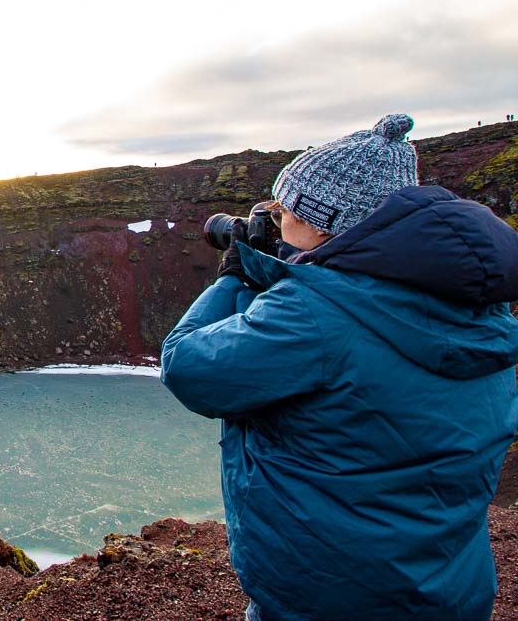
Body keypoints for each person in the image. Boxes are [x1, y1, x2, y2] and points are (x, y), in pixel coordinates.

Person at [160, 114, 518, 619]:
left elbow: (187, 366)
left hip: (329, 594)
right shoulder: (478, 307)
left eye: (285, 210)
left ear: (319, 221)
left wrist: (236, 277)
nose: (277, 219)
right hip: (446, 588)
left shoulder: (315, 316)